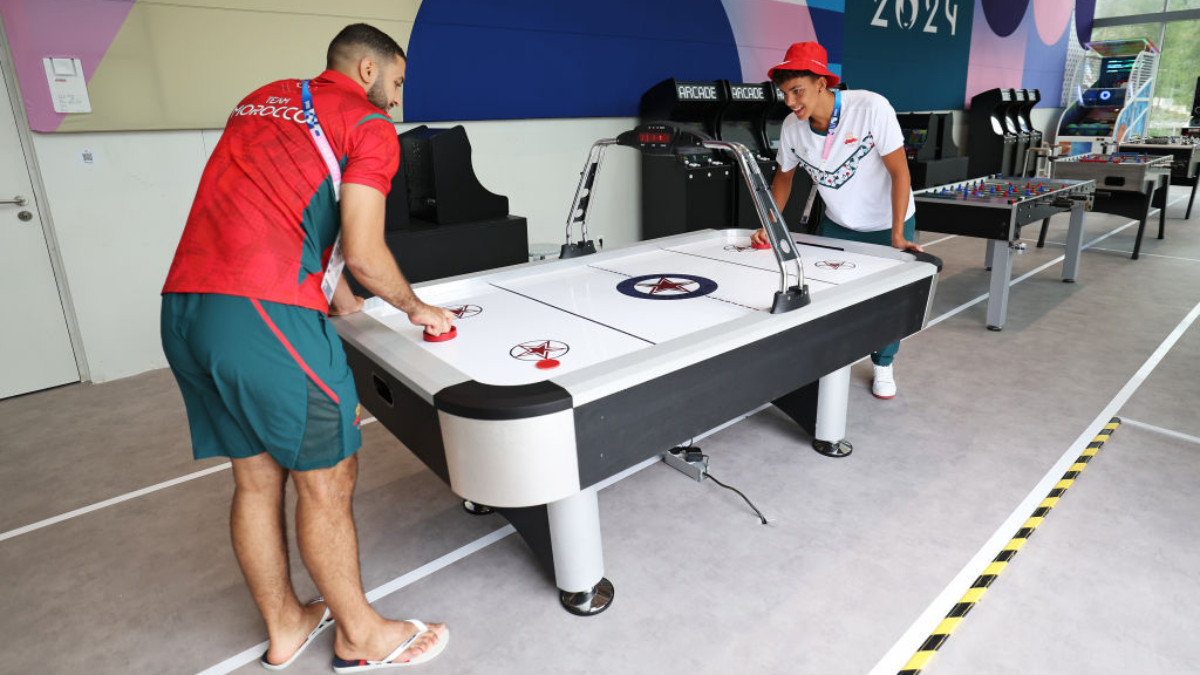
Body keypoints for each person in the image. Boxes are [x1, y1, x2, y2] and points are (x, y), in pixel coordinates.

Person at [160, 23, 452, 671]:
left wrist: (355, 312)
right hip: (267, 312)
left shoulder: (265, 99)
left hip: (187, 306)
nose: (399, 101)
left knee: (256, 479)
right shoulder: (368, 125)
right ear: (369, 70)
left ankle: (287, 623)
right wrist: (416, 306)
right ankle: (361, 634)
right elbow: (368, 252)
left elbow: (289, 227)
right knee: (329, 478)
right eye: (398, 83)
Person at [752, 41, 923, 399]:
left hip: (886, 223)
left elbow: (900, 173)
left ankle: (883, 364)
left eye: (797, 91)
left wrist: (896, 233)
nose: (790, 102)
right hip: (838, 222)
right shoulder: (792, 126)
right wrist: (770, 227)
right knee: (829, 296)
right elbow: (783, 178)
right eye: (784, 93)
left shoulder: (871, 107)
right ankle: (830, 361)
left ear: (822, 83)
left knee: (886, 303)